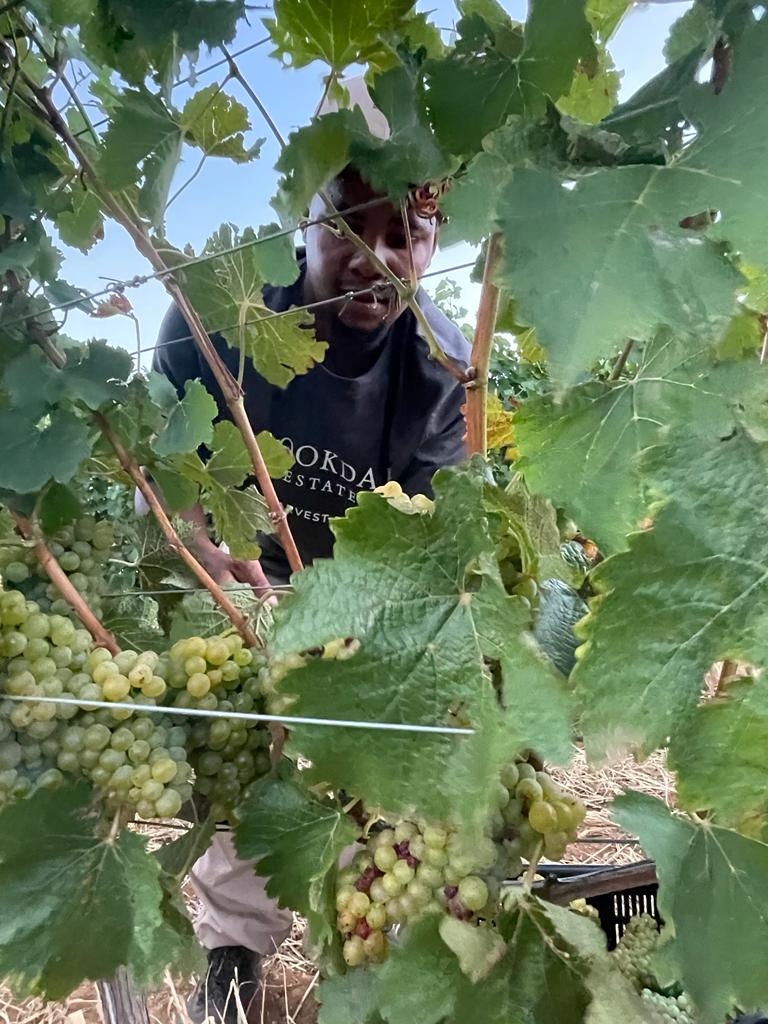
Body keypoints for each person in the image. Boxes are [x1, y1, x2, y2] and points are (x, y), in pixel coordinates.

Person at [153, 82, 471, 1023]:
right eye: (351, 222)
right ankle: (232, 957)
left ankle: (364, 955)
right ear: (304, 216)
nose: (384, 256)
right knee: (242, 765)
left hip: (358, 605)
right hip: (240, 594)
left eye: (409, 233)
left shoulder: (442, 362)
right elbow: (166, 471)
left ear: (436, 239)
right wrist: (199, 544)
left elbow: (436, 538)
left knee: (368, 785)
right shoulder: (217, 314)